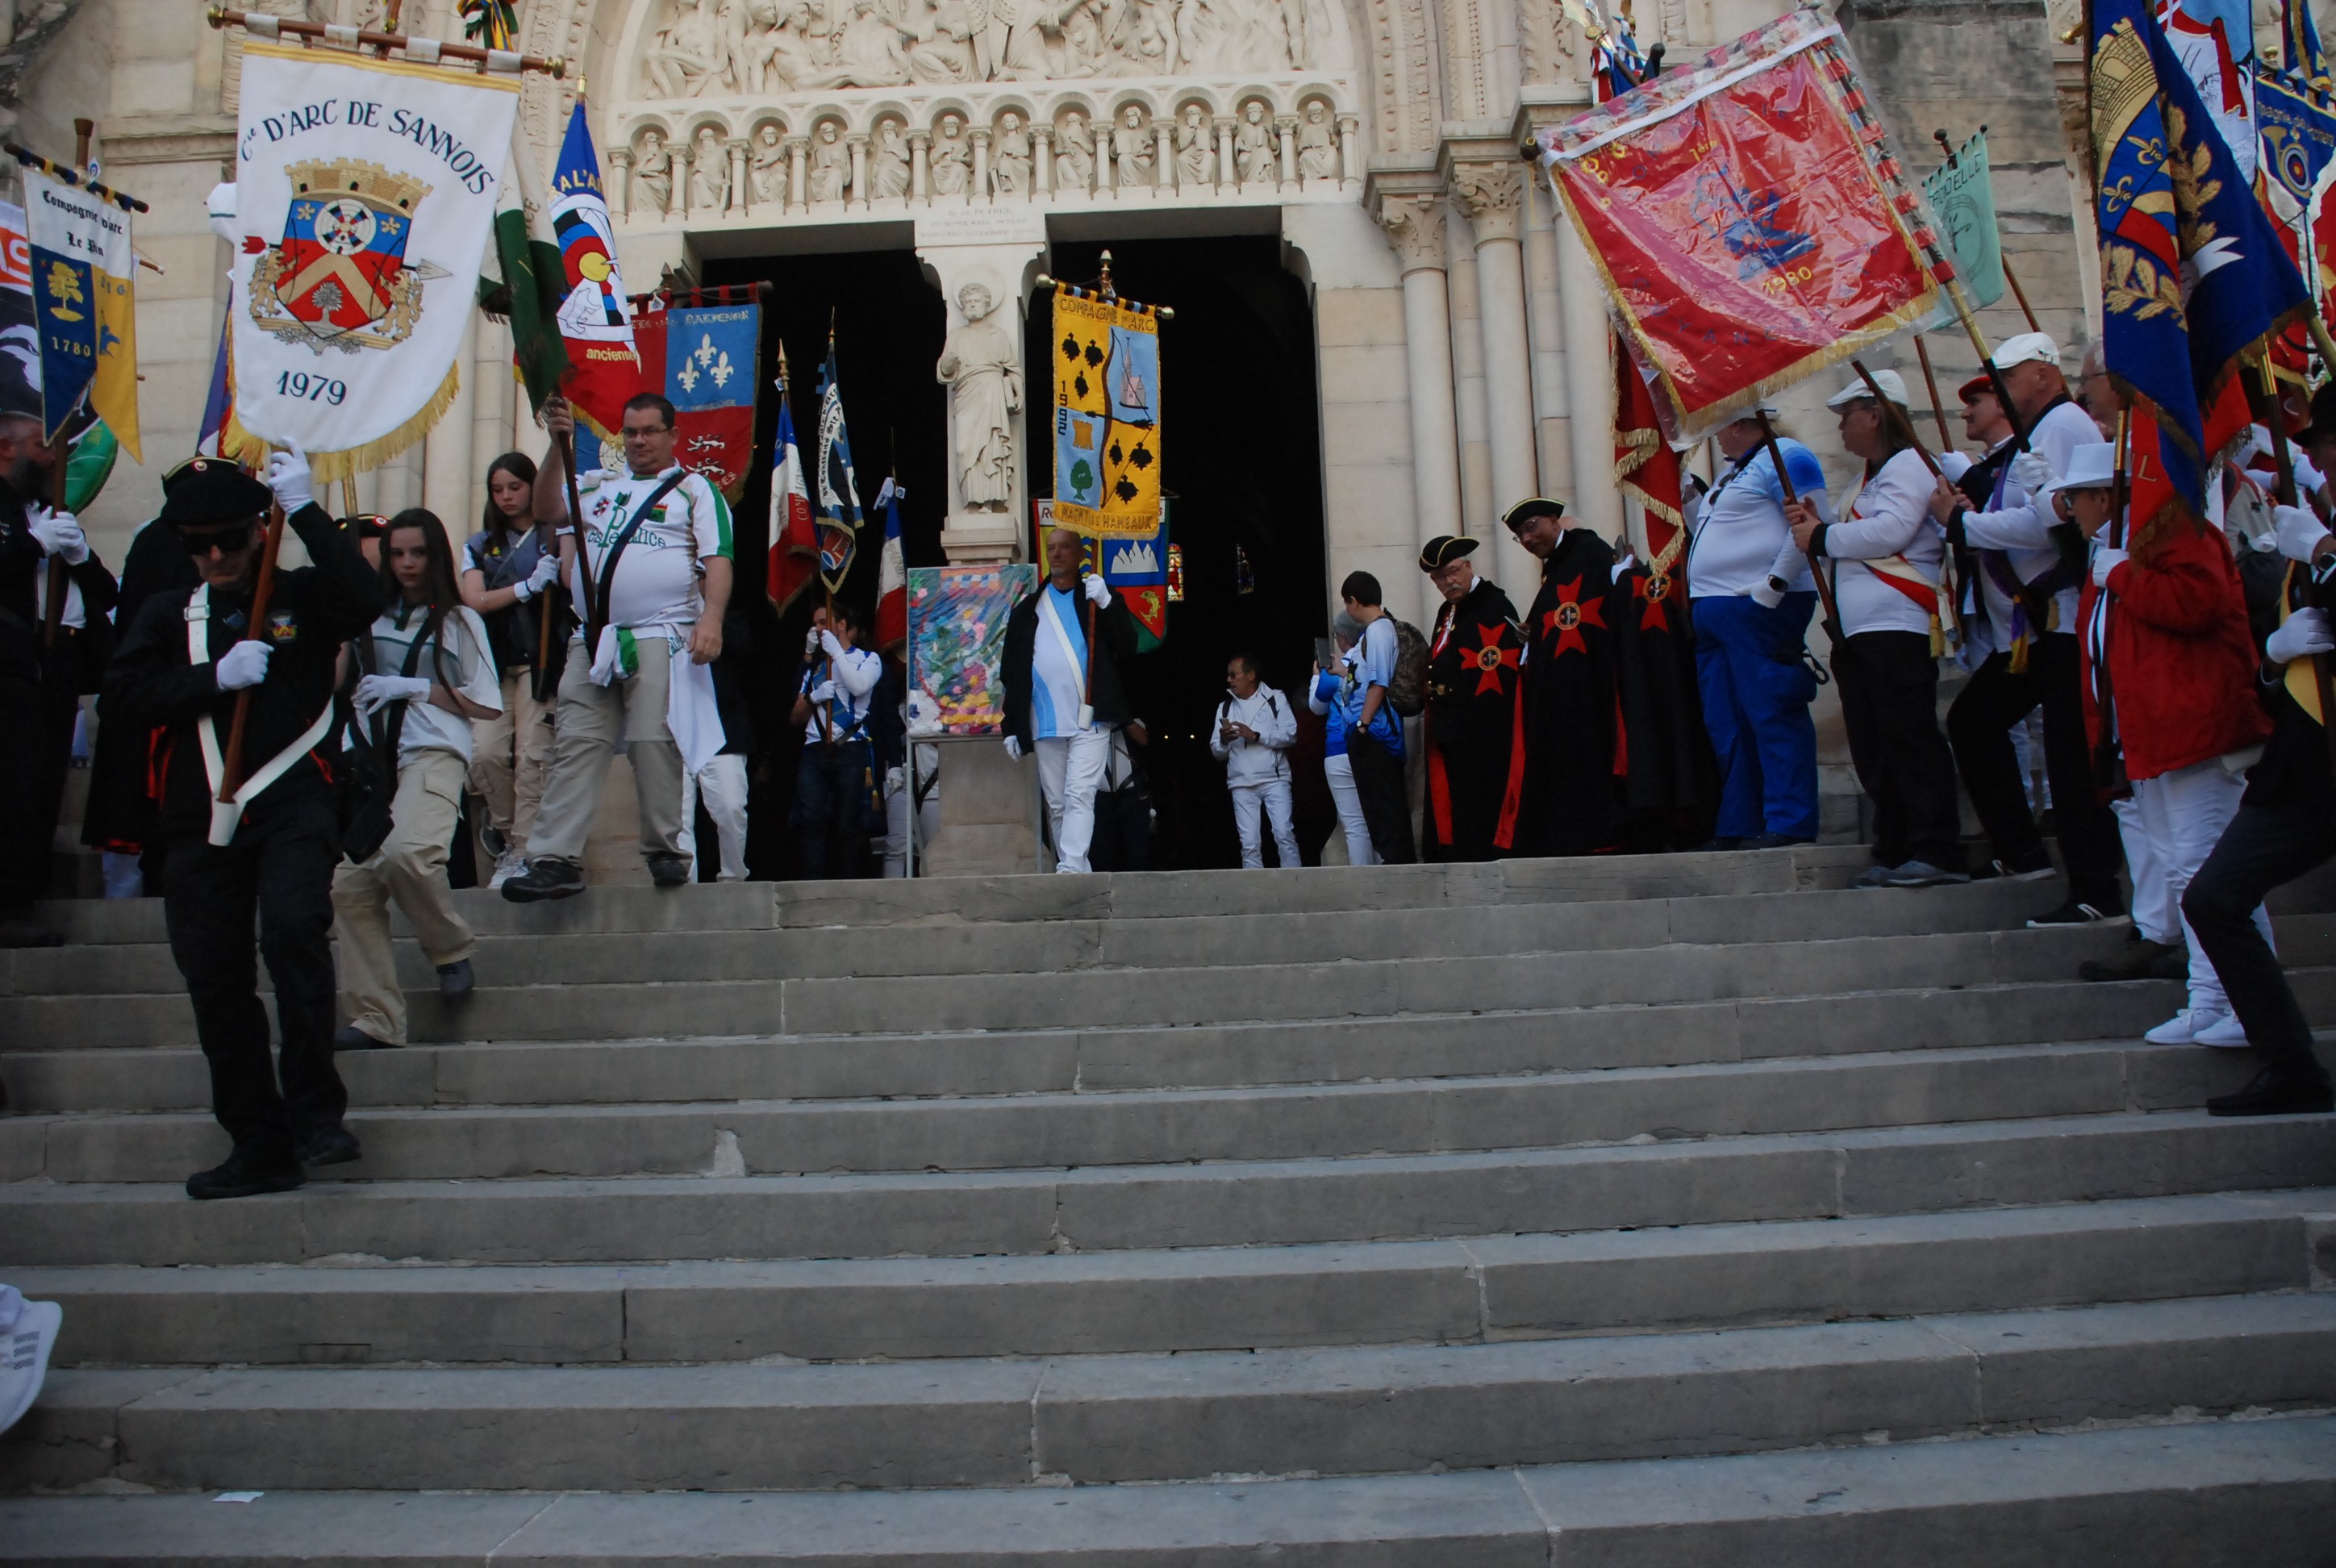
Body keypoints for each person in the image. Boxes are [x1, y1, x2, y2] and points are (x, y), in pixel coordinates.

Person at [102, 448, 384, 1198]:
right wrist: (209, 680)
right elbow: (122, 698)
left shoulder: (299, 596)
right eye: (200, 544)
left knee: (294, 929)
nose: (218, 556)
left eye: (230, 537)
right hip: (200, 820)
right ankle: (257, 1140)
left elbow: (363, 599)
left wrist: (313, 511)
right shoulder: (169, 614)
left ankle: (317, 1114)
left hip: (295, 802)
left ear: (262, 529)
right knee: (215, 977)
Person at [2058, 441, 2274, 1049]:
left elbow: (2198, 604)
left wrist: (2126, 573)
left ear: (2105, 497)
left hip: (2191, 731)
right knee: (2190, 873)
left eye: (2075, 498)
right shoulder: (2116, 551)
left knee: (2209, 872)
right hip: (2149, 737)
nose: (2070, 510)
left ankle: (2244, 1000)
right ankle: (2211, 998)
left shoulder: (2173, 535)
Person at [505, 392, 734, 900]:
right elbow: (545, 509)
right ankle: (553, 856)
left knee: (654, 742)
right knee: (575, 745)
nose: (639, 441)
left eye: (650, 431)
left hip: (662, 632)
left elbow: (718, 559)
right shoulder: (595, 484)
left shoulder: (696, 490)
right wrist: (555, 443)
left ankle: (664, 849)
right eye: (631, 432)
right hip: (594, 638)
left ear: (672, 435)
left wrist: (711, 620)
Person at [1929, 335, 2125, 926]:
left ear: (2045, 374)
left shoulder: (2063, 423)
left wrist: (1964, 526)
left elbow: (2051, 523)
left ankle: (2096, 890)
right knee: (1976, 720)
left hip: (2065, 614)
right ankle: (2021, 850)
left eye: (2012, 377)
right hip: (2039, 624)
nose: (2005, 387)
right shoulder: (2038, 434)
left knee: (2070, 756)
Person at [2182, 403, 2336, 1112]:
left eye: (2330, 447)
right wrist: (2276, 661)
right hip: (2304, 765)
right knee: (2214, 899)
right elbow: (2295, 651)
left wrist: (2328, 559)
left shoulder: (2323, 541)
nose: (2326, 462)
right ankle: (2291, 1064)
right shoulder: (2321, 526)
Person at [332, 509, 502, 1050]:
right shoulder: (366, 616)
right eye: (397, 552)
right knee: (349, 887)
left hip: (432, 751)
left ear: (436, 555)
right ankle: (376, 1018)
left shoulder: (460, 622)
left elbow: (487, 704)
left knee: (408, 852)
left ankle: (450, 948)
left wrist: (416, 688)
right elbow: (333, 681)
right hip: (369, 762)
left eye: (418, 552)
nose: (406, 563)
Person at [1788, 369, 1964, 887]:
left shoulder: (1910, 466)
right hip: (1861, 630)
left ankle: (1936, 848)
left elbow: (1891, 531)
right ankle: (1896, 844)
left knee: (1908, 737)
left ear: (1875, 414)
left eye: (1847, 416)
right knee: (1875, 745)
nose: (1841, 428)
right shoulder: (1866, 479)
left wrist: (1822, 536)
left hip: (1897, 624)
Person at [1687, 408, 1828, 851]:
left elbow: (1811, 520)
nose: (1717, 441)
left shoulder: (1787, 456)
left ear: (1739, 425)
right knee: (1727, 722)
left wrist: (1776, 583)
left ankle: (1790, 819)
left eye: (1719, 430)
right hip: (1716, 610)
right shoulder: (1733, 476)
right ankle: (1741, 821)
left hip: (1757, 604)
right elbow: (1712, 531)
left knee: (1772, 713)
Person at [1002, 526, 1138, 874]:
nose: (1057, 554)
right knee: (1058, 801)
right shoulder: (1027, 610)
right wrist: (1012, 725)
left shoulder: (1095, 600)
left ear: (1080, 554)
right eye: (1051, 548)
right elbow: (1013, 673)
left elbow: (1129, 645)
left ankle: (1073, 866)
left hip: (1090, 717)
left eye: (1065, 548)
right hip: (1044, 720)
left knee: (1081, 793)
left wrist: (1109, 603)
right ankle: (1074, 868)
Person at [459, 452, 563, 890]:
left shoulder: (554, 536)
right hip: (494, 664)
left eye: (514, 487)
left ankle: (522, 850)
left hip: (541, 663)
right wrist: (525, 587)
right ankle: (504, 833)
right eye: (497, 489)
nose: (505, 496)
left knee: (530, 759)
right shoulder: (479, 544)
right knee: (483, 754)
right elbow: (474, 600)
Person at [0, 394, 80, 946]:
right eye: (39, 446)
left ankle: (14, 901)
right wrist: (30, 546)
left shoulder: (18, 507)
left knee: (22, 785)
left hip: (18, 662)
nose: (51, 459)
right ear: (5, 448)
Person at [1504, 497, 1621, 858]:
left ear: (1556, 521)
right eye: (1519, 536)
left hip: (1589, 684)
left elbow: (1597, 610)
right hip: (1562, 690)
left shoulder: (1589, 552)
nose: (1527, 540)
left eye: (1531, 527)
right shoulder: (1557, 566)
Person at [1416, 535, 1525, 861]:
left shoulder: (1493, 606)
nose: (1447, 582)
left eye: (1451, 571)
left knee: (1482, 796)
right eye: (1438, 578)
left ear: (1467, 565)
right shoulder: (1447, 611)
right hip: (1451, 727)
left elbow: (1499, 668)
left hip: (1483, 727)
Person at [792, 600, 882, 878]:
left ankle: (847, 886)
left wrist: (837, 653)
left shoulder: (869, 659)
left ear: (841, 625)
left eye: (823, 622)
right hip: (813, 749)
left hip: (850, 748)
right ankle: (812, 885)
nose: (817, 629)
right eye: (815, 624)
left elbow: (859, 685)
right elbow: (794, 717)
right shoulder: (815, 668)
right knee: (811, 821)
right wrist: (812, 696)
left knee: (848, 824)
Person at [1333, 569, 1415, 863]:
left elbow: (1379, 682)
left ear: (1354, 601)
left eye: (1347, 602)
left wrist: (1362, 726)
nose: (1347, 610)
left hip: (1376, 734)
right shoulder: (1371, 635)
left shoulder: (1380, 631)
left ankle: (1399, 867)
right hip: (1369, 733)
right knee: (1377, 810)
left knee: (1385, 807)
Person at [681, 601, 756, 882]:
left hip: (723, 728)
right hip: (675, 725)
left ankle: (733, 880)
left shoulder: (732, 618)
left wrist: (707, 618)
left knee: (731, 806)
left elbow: (744, 653)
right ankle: (684, 885)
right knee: (677, 817)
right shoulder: (662, 617)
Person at [1212, 652, 1300, 868]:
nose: (1229, 680)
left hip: (1275, 779)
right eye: (1229, 675)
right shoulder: (1225, 708)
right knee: (1249, 843)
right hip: (1241, 782)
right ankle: (1255, 895)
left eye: (1234, 675)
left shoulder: (1275, 698)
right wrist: (1223, 741)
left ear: (1251, 675)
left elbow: (1291, 735)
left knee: (1284, 834)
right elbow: (1216, 752)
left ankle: (1297, 885)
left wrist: (1257, 736)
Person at [1308, 614, 1378, 865]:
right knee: (1376, 818)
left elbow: (1316, 706)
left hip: (1339, 748)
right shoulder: (1371, 660)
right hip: (1371, 744)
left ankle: (1364, 886)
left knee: (1355, 825)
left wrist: (1317, 676)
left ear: (1343, 637)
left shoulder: (1336, 668)